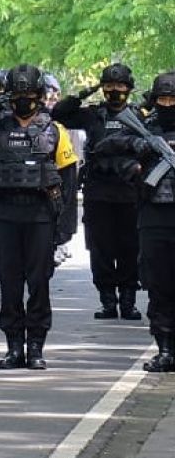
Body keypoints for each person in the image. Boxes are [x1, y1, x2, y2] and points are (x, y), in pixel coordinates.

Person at [0, 64, 78, 370]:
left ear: (39, 95)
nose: (24, 99)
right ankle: (13, 347)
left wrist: (64, 228)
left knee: (38, 283)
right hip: (5, 214)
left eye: (30, 94)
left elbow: (69, 180)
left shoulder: (54, 130)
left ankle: (35, 346)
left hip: (40, 215)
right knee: (9, 284)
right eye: (17, 94)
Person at [95, 72, 175, 371]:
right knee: (158, 284)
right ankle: (164, 348)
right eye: (163, 99)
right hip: (153, 216)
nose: (168, 105)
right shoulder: (143, 129)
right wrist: (132, 161)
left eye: (173, 99)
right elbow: (102, 151)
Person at [51, 63, 143, 320]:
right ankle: (107, 300)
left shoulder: (139, 116)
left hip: (130, 193)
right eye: (110, 86)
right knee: (100, 249)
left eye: (120, 86)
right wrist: (86, 91)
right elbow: (58, 113)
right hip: (98, 191)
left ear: (129, 88)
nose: (115, 91)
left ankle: (128, 300)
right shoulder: (93, 115)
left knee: (130, 248)